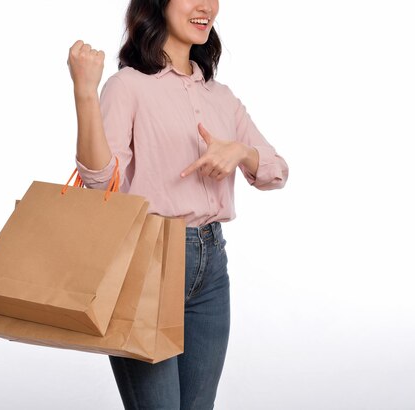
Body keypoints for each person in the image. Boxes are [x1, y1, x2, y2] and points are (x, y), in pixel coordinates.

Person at [67, 0, 288, 408]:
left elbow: (277, 171)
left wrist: (241, 152)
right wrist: (85, 94)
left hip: (212, 266)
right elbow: (99, 184)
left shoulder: (221, 97)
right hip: (146, 261)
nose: (207, 6)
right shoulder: (128, 85)